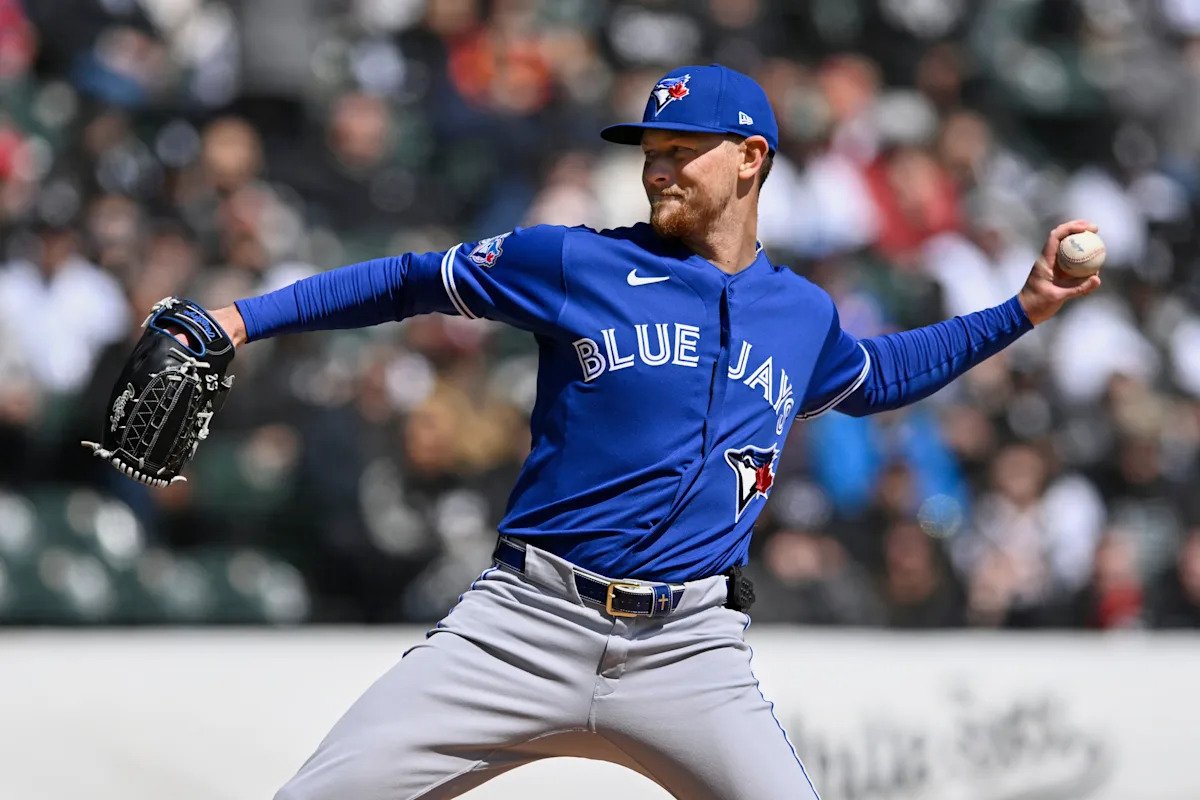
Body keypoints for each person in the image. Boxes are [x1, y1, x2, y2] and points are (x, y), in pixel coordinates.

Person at [198, 65, 1100, 800]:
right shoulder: (575, 260)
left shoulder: (801, 314)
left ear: (751, 158)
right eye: (650, 153)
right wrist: (239, 320)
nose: (656, 169)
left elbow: (880, 375)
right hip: (525, 622)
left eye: (680, 151)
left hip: (688, 648)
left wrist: (1020, 310)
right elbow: (408, 280)